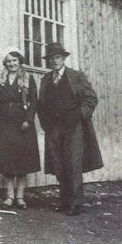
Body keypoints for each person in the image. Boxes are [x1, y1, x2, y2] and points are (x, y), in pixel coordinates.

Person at [37, 42, 103, 216]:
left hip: (74, 127)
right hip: (54, 128)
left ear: (64, 58)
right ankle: (64, 201)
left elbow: (91, 99)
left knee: (73, 163)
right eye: (51, 58)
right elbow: (41, 105)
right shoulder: (45, 80)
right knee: (58, 164)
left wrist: (79, 115)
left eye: (57, 57)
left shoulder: (76, 77)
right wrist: (46, 124)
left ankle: (76, 203)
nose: (54, 61)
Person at [0, 48, 40, 209]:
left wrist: (28, 120)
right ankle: (9, 196)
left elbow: (34, 101)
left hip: (22, 124)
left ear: (20, 61)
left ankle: (20, 197)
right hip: (3, 124)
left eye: (14, 60)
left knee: (22, 161)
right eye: (8, 61)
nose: (11, 64)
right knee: (7, 161)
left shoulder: (28, 78)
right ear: (5, 63)